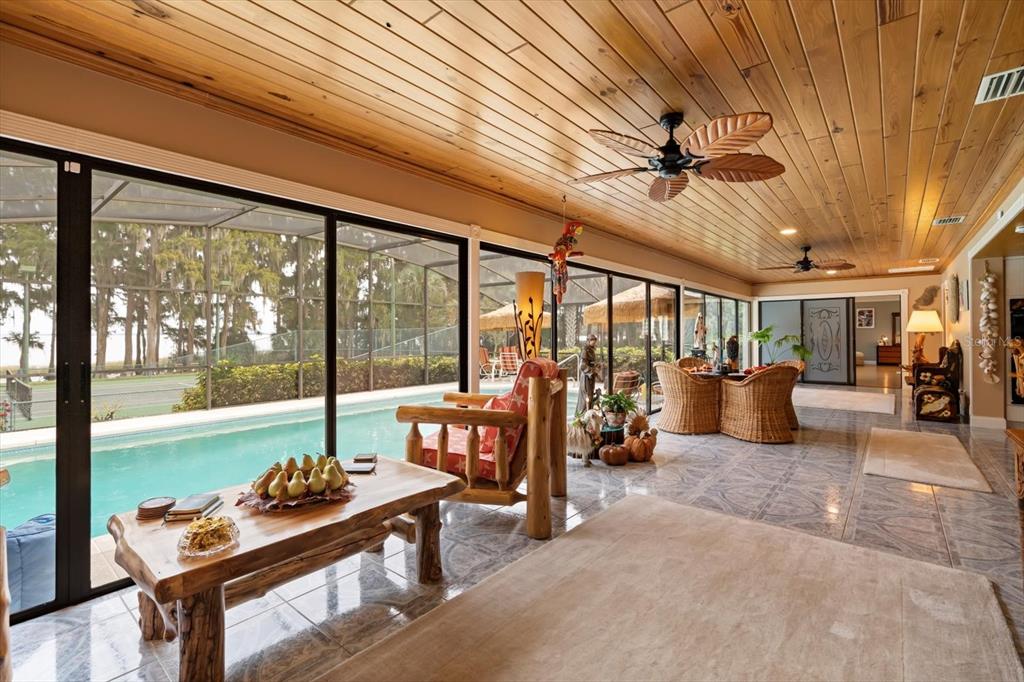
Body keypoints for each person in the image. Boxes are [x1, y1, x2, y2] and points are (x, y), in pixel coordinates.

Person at [575, 334, 602, 416]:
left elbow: (591, 363)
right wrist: (592, 370)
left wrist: (597, 366)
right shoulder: (585, 351)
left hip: (591, 377)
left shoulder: (591, 350)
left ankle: (589, 414)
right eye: (592, 340)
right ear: (588, 341)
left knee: (590, 395)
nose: (594, 342)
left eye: (594, 340)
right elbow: (582, 366)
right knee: (586, 396)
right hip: (586, 377)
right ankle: (583, 415)